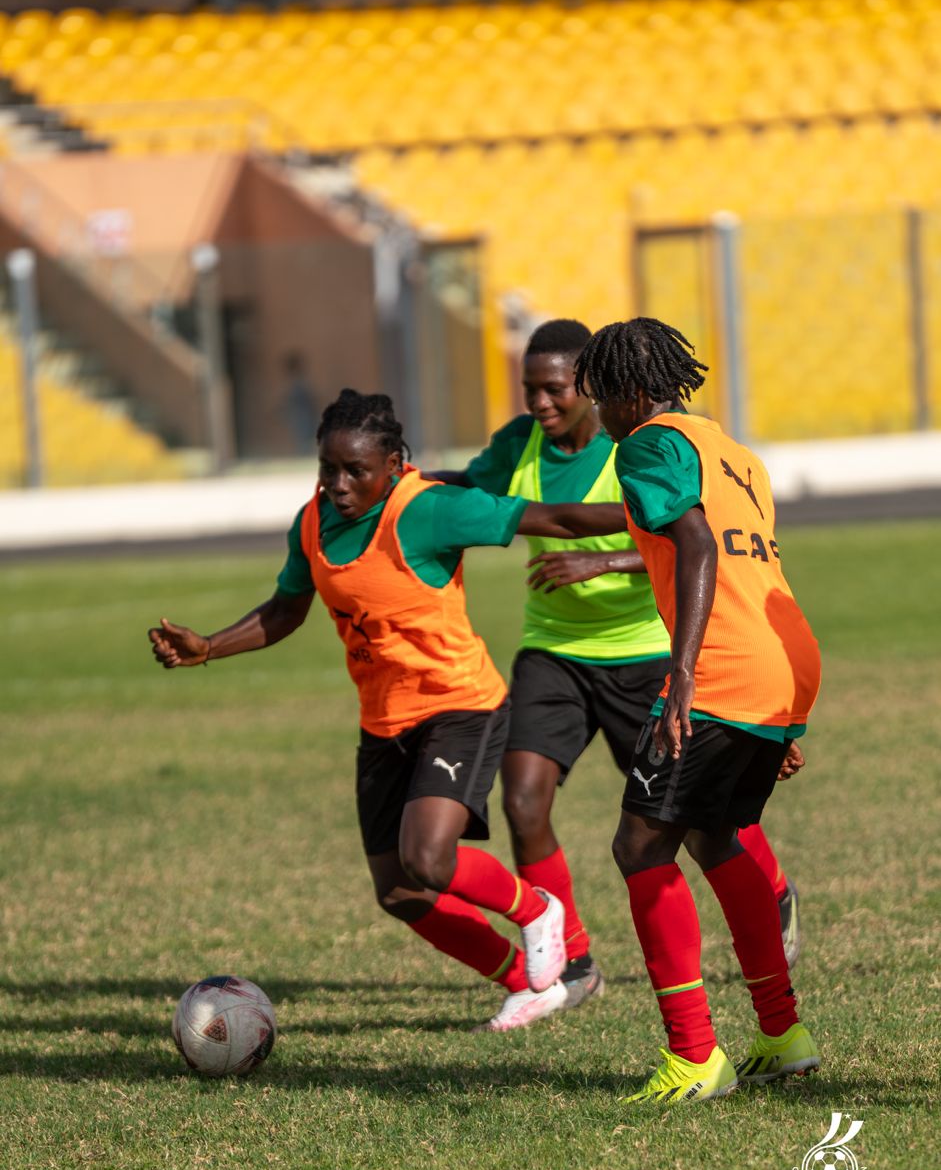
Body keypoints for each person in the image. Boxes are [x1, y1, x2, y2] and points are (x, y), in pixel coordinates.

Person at [148, 388, 626, 1032]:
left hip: (462, 706)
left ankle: (539, 911)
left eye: (356, 470)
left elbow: (558, 520)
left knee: (428, 857)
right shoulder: (313, 521)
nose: (339, 485)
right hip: (384, 722)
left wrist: (647, 512)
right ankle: (526, 983)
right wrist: (208, 646)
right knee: (400, 890)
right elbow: (287, 608)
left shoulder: (431, 510)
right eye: (328, 469)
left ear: (395, 463)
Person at [434, 319, 803, 1023]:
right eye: (529, 389)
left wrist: (605, 562)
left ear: (601, 388)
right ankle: (572, 961)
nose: (542, 403)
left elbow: (692, 538)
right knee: (527, 801)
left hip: (653, 654)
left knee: (691, 828)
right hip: (559, 649)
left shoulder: (641, 444)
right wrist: (406, 490)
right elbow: (472, 495)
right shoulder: (533, 444)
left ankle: (736, 988)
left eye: (562, 389)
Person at [572, 317, 821, 1103]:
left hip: (717, 671)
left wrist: (679, 677)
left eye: (603, 399)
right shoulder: (732, 451)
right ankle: (781, 1035)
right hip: (778, 665)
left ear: (635, 394)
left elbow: (699, 548)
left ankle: (692, 1056)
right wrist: (783, 714)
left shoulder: (644, 444)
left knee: (639, 846)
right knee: (717, 837)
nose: (599, 416)